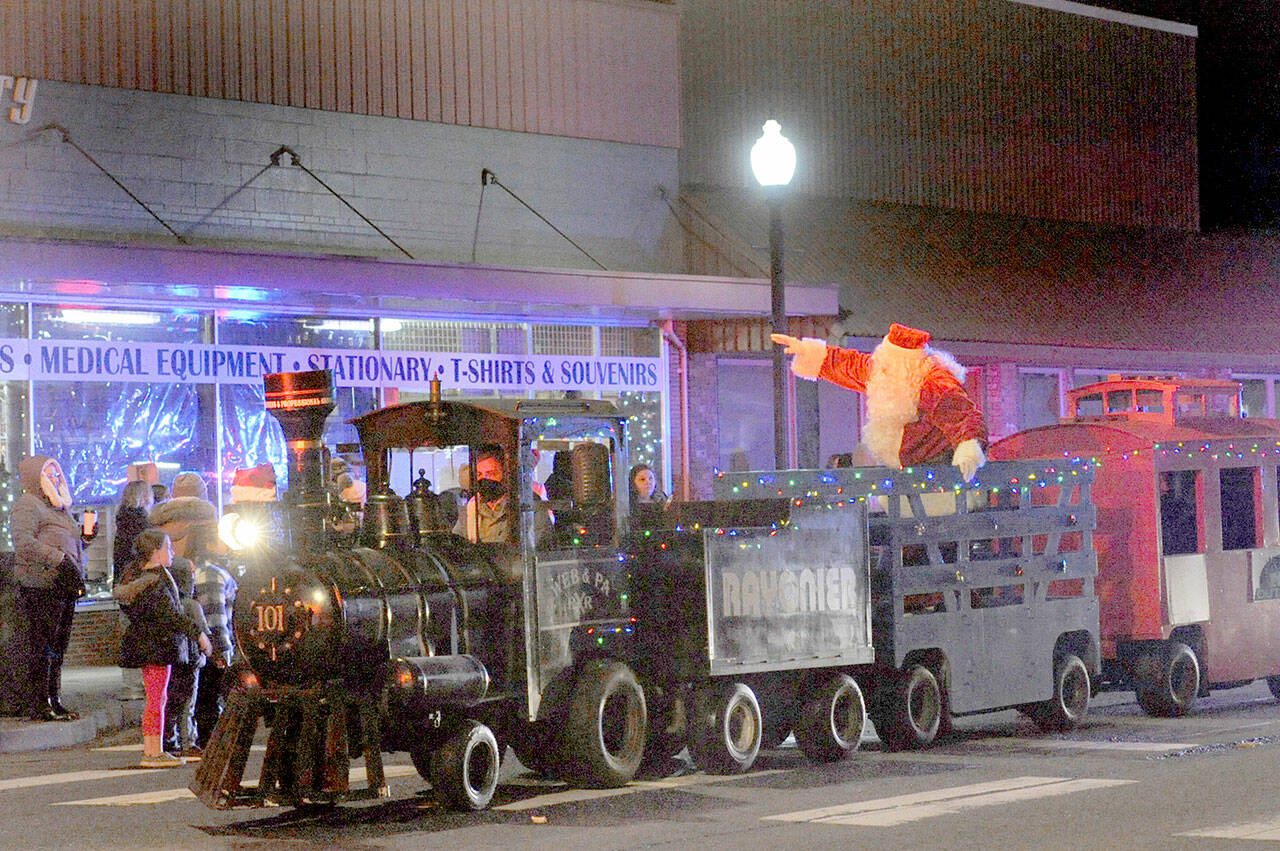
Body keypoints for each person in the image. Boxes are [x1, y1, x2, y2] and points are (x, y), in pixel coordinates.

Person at [772, 323, 988, 482]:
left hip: (935, 471)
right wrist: (806, 350)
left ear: (904, 366)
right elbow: (848, 365)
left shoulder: (934, 383)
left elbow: (964, 416)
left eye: (886, 366)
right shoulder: (884, 372)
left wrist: (968, 449)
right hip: (904, 474)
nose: (880, 370)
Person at [114, 528, 211, 768]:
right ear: (155, 552)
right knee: (156, 698)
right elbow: (171, 615)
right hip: (156, 645)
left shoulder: (140, 579)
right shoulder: (155, 581)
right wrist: (198, 634)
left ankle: (155, 749)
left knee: (159, 696)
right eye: (167, 547)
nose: (171, 551)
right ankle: (152, 751)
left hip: (152, 644)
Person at [11, 455, 94, 722]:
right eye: (49, 475)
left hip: (62, 585)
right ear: (37, 478)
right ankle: (39, 701)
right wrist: (58, 559)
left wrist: (85, 538)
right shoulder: (28, 504)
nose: (56, 480)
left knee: (58, 644)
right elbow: (23, 541)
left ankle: (54, 697)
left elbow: (69, 543)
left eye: (58, 474)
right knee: (43, 644)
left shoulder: (59, 508)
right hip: (41, 584)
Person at [191, 521, 238, 750]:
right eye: (222, 541)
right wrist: (223, 649)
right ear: (210, 543)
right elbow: (215, 616)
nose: (227, 545)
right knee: (210, 698)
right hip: (212, 649)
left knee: (206, 698)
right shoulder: (211, 573)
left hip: (206, 647)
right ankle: (211, 743)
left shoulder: (206, 570)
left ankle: (208, 740)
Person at [163, 557, 210, 761]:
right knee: (187, 703)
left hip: (173, 660)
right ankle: (188, 741)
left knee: (171, 702)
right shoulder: (191, 605)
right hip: (191, 661)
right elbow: (203, 630)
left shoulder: (169, 602)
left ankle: (168, 740)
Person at [454, 444, 515, 543]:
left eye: (491, 474)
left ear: (505, 474)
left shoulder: (518, 507)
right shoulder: (469, 510)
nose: (484, 480)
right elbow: (456, 545)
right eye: (479, 475)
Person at [113, 480, 154, 585]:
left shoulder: (122, 518)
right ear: (145, 496)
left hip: (122, 574)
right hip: (138, 576)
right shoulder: (143, 522)